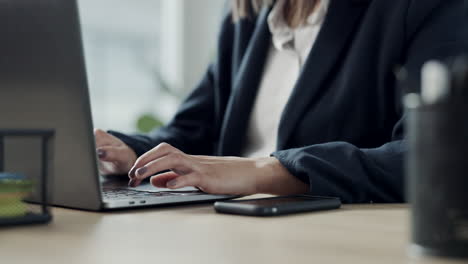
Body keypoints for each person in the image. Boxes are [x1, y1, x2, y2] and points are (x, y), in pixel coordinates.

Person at [94, 0, 468, 203]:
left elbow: (436, 156)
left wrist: (264, 171)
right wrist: (132, 153)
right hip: (231, 228)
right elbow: (195, 128)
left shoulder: (425, 8)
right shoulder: (248, 12)